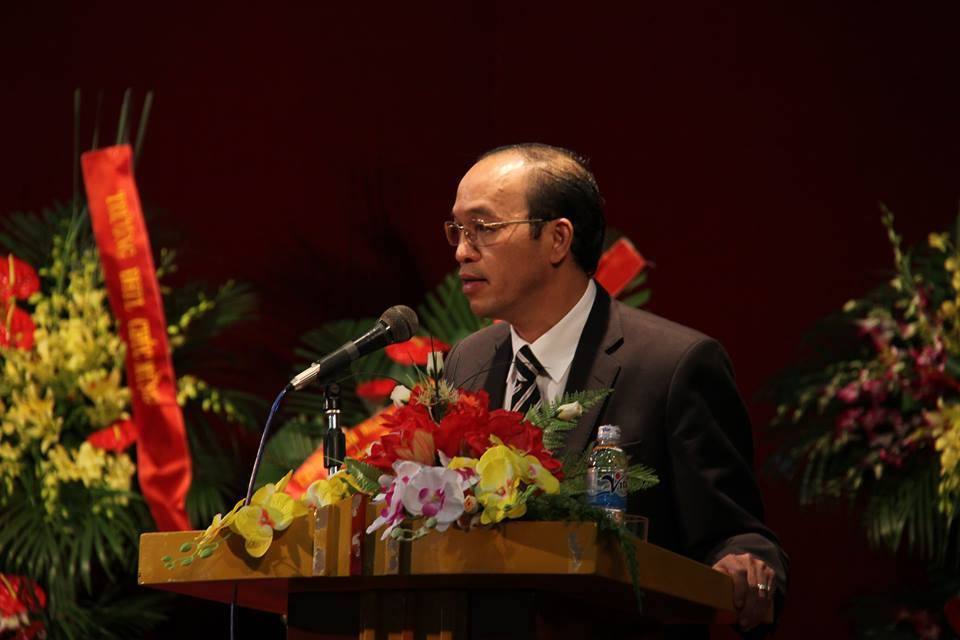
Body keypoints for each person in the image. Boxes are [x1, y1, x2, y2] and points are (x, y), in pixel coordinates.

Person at [441, 143, 788, 634]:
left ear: (558, 239)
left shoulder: (673, 366)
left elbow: (736, 536)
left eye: (484, 227)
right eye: (457, 229)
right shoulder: (468, 362)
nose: (462, 250)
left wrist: (746, 565)